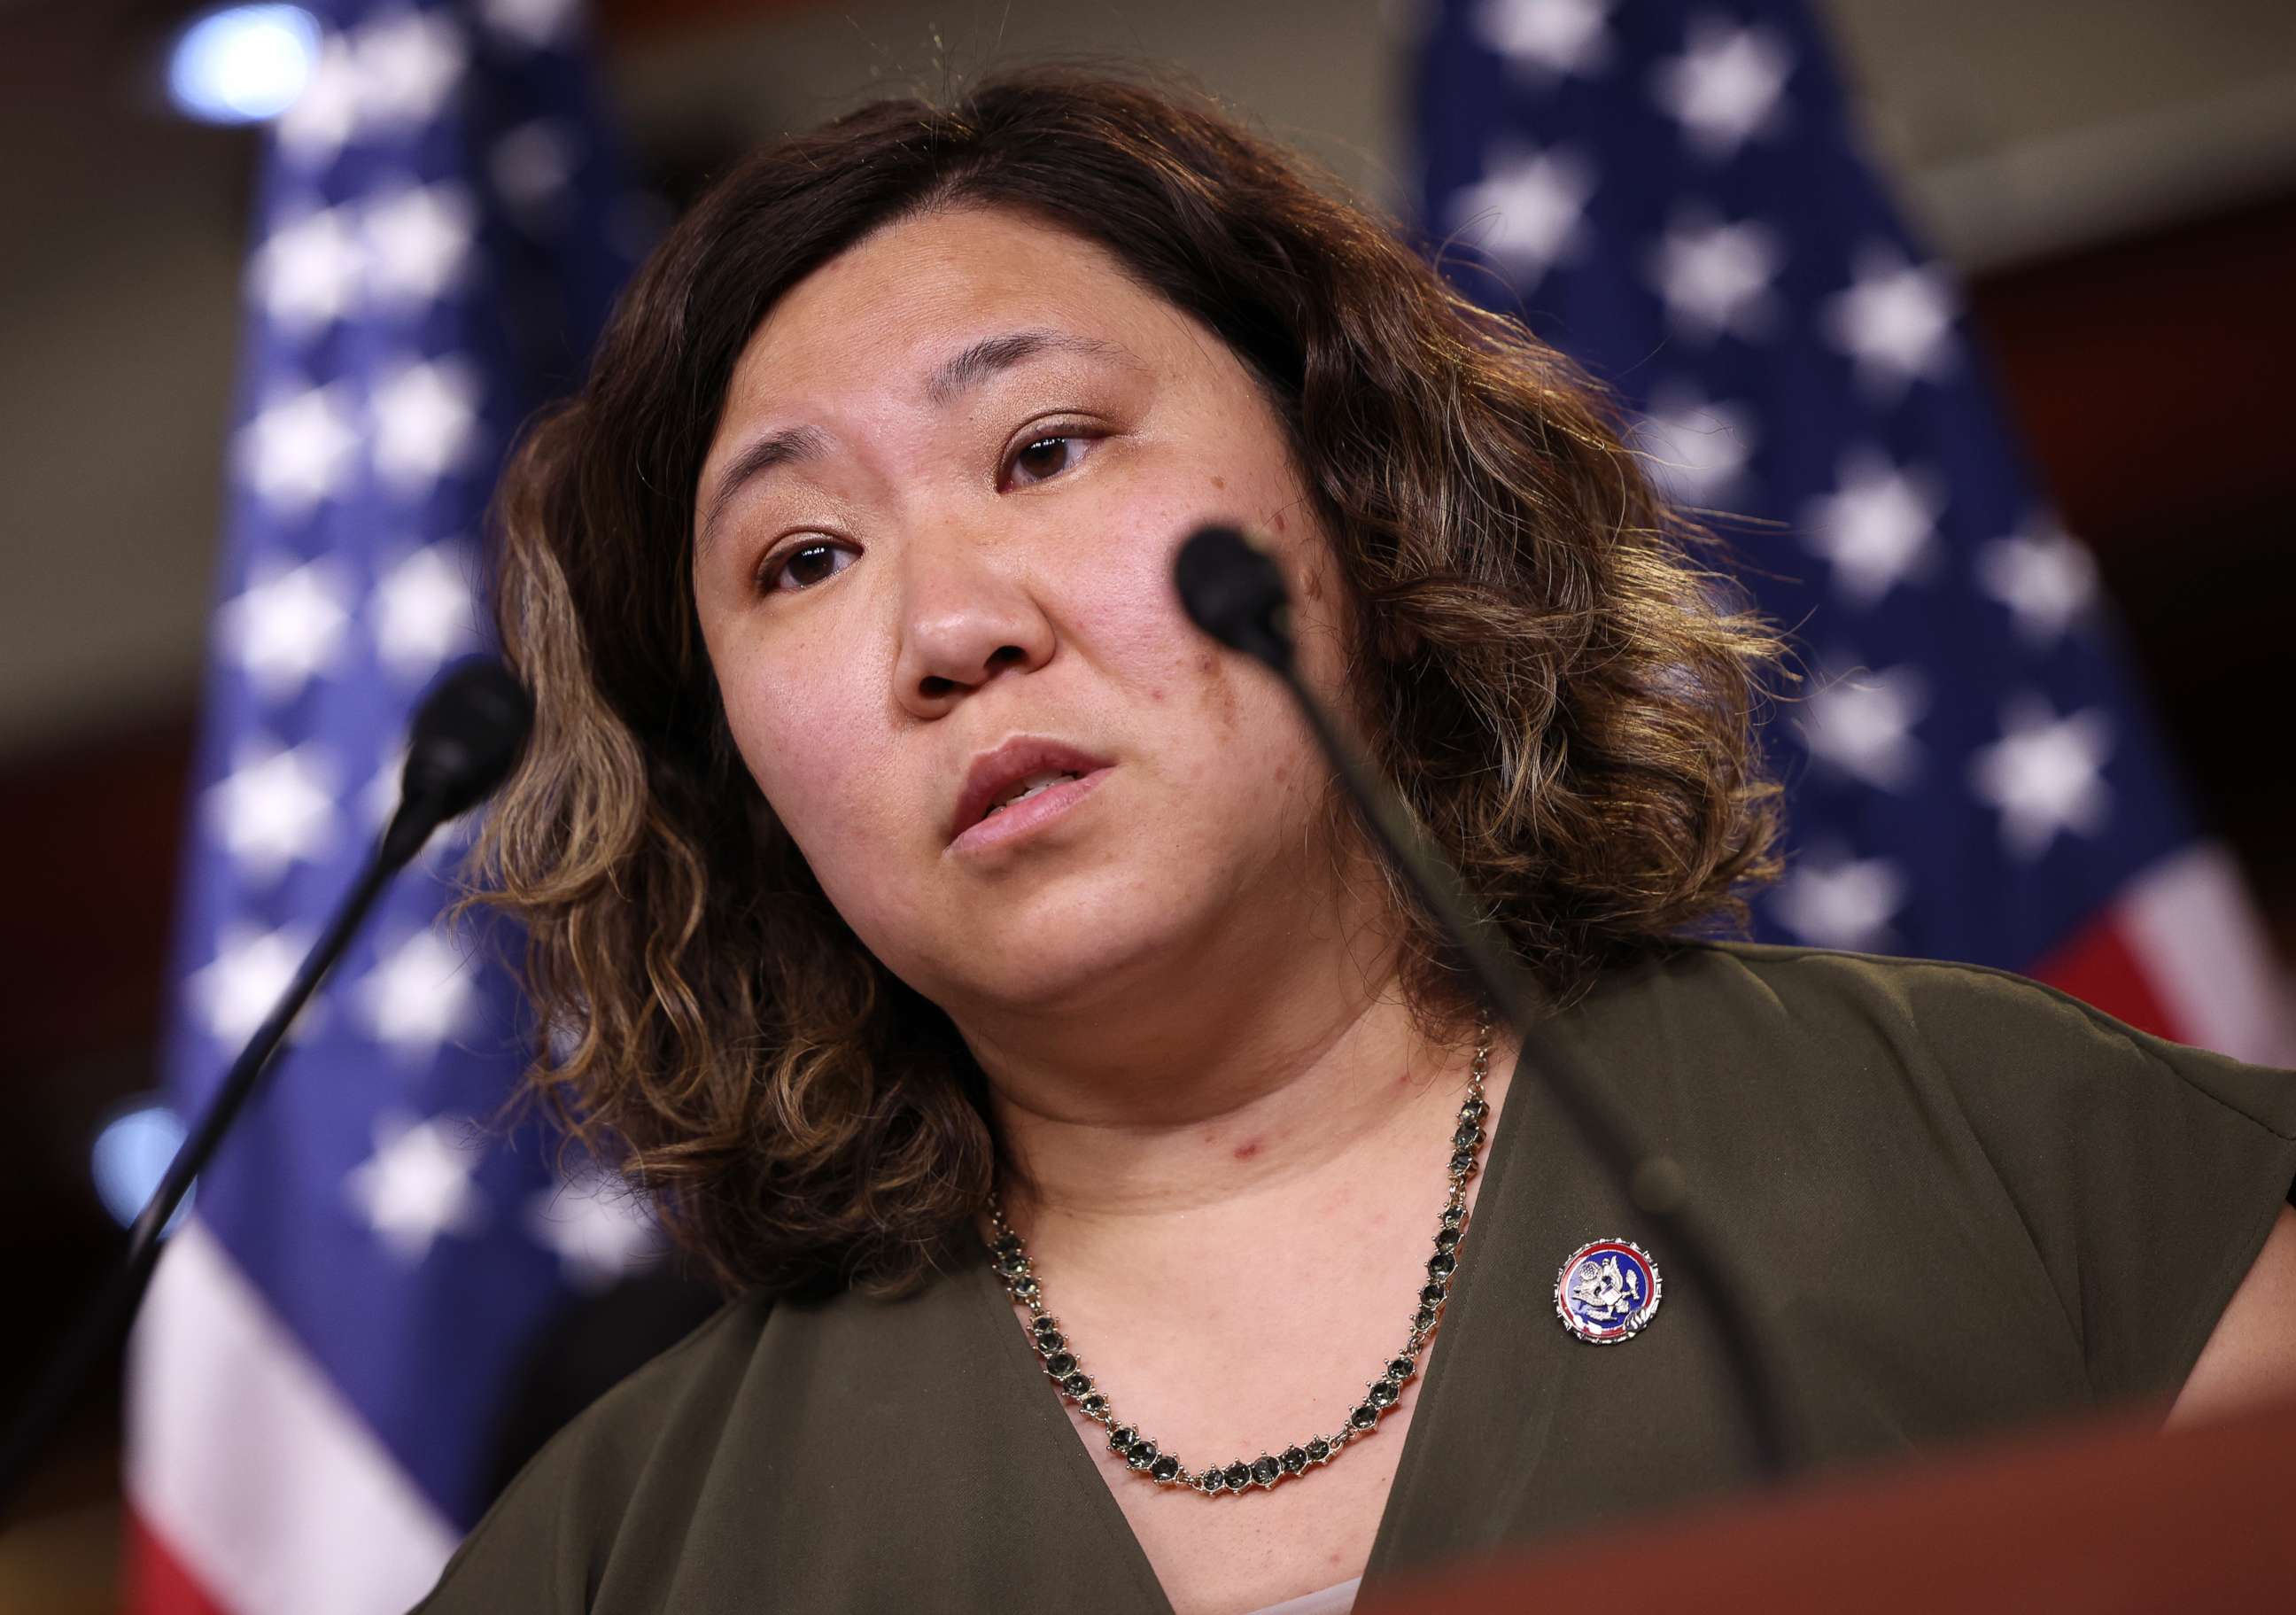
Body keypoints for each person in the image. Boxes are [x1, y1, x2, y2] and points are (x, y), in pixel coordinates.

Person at [414, 69, 2296, 1615]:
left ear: (1355, 499)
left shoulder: (2025, 1162)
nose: (950, 627)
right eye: (801, 560)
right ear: (733, 767)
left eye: (1049, 448)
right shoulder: (612, 1556)